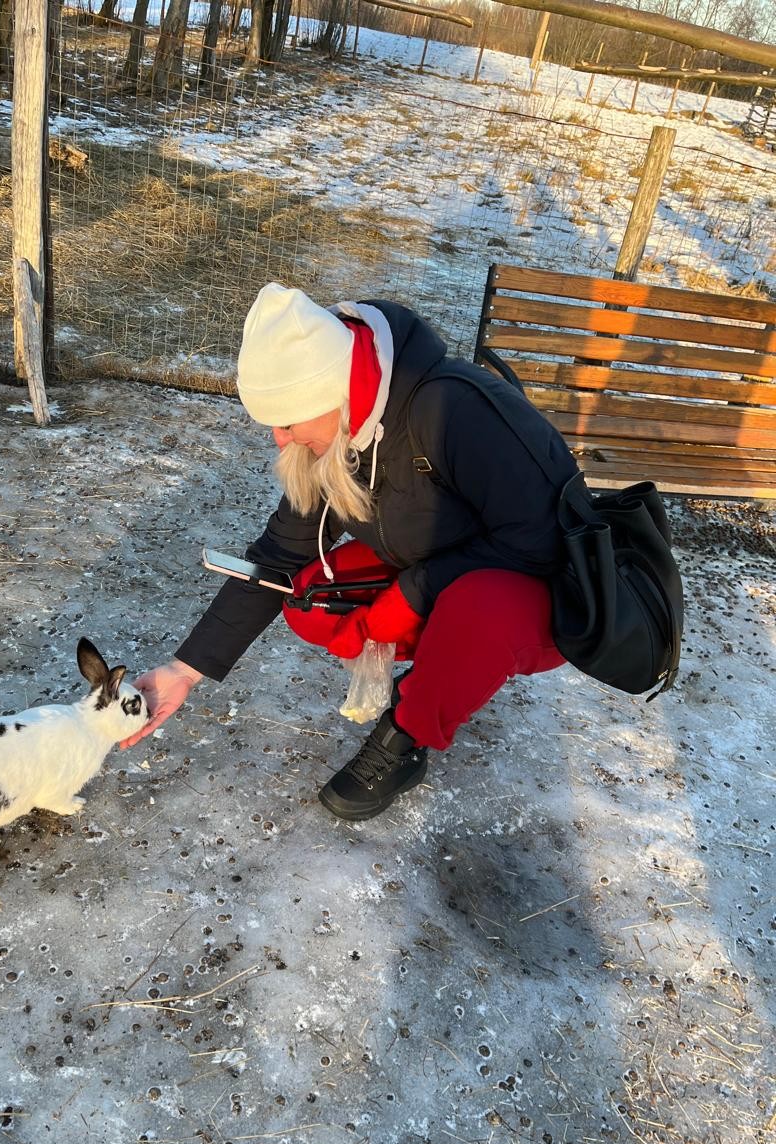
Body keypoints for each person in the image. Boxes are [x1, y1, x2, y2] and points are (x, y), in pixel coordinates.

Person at [122, 282, 579, 821]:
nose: (279, 438)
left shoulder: (457, 410)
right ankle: (441, 656)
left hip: (545, 593)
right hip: (445, 568)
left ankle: (406, 738)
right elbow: (280, 556)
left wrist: (412, 594)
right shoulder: (341, 432)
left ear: (330, 390)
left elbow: (540, 542)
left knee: (475, 607)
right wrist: (185, 669)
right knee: (308, 597)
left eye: (288, 420)